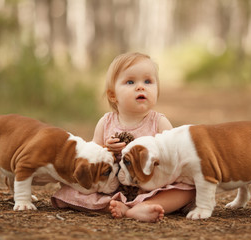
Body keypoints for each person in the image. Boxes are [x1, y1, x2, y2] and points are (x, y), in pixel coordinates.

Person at [52, 52, 196, 222]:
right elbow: (92, 155)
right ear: (113, 95)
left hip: (151, 188)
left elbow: (174, 158)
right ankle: (117, 207)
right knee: (70, 191)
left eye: (148, 81)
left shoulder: (159, 122)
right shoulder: (106, 122)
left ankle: (143, 206)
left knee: (188, 189)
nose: (141, 87)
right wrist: (106, 149)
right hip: (111, 188)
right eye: (130, 82)